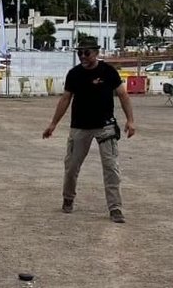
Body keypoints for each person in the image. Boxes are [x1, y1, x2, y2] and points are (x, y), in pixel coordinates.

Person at [42, 37, 136, 223]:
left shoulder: (108, 72)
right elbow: (65, 100)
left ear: (96, 53)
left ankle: (115, 207)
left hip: (105, 126)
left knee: (111, 167)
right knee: (71, 166)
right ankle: (68, 198)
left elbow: (123, 95)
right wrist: (53, 124)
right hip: (80, 126)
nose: (82, 57)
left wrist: (130, 120)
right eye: (79, 53)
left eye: (87, 53)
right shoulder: (74, 74)